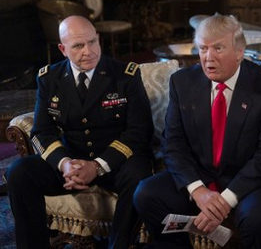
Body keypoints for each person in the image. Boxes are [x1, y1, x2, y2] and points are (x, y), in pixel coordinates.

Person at [133, 13, 261, 248]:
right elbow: (173, 144)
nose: (208, 57)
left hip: (252, 179)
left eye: (218, 48)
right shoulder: (182, 82)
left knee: (255, 217)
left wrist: (224, 201)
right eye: (203, 48)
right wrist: (198, 191)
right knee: (146, 194)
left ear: (239, 52)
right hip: (203, 175)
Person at [6, 15, 154, 249]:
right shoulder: (49, 78)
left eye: (93, 42)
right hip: (71, 162)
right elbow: (41, 132)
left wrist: (96, 166)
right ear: (63, 49)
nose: (89, 51)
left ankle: (119, 245)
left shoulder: (125, 75)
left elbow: (139, 131)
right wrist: (64, 163)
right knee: (19, 171)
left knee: (140, 173)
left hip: (114, 163)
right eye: (78, 46)